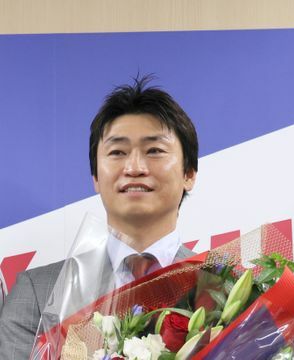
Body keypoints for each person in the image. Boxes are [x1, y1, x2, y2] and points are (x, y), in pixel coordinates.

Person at [0, 76, 198, 358]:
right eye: (117, 152)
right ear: (95, 176)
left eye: (154, 150)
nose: (134, 167)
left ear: (188, 174)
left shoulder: (222, 289)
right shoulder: (38, 294)